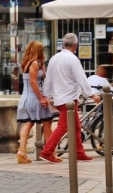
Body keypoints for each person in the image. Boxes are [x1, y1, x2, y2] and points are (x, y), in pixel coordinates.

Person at [40, 33, 101, 164]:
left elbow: (48, 79)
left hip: (59, 96)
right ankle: (47, 151)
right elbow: (81, 78)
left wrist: (46, 95)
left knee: (76, 126)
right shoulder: (72, 59)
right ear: (75, 45)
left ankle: (79, 152)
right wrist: (92, 94)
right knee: (63, 126)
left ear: (63, 44)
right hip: (69, 98)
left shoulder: (54, 58)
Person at [15, 41, 53, 164]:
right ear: (38, 51)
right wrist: (41, 97)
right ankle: (50, 151)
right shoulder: (34, 64)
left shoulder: (26, 63)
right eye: (42, 50)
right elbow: (33, 82)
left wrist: (43, 63)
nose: (44, 52)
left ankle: (22, 151)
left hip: (26, 97)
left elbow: (43, 76)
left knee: (28, 123)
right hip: (34, 97)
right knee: (47, 122)